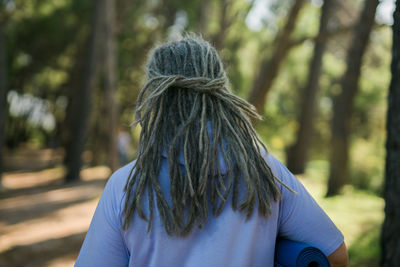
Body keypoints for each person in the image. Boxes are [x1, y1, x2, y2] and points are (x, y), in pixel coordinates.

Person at [75, 35, 348, 267]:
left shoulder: (126, 185)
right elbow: (336, 256)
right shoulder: (266, 172)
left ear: (157, 97)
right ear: (220, 91)